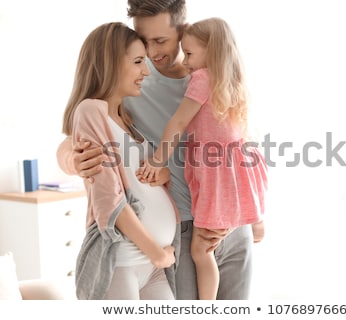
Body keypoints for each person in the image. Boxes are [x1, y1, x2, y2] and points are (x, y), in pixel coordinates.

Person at [57, 0, 257, 300]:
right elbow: (72, 140)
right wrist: (76, 160)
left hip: (232, 221)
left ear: (183, 31)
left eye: (160, 41)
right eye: (144, 41)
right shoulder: (134, 80)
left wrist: (250, 216)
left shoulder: (213, 74)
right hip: (186, 230)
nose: (151, 53)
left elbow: (242, 144)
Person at [137, 17, 268, 300]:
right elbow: (249, 152)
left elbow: (178, 123)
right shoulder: (232, 82)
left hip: (216, 184)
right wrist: (255, 218)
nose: (186, 62)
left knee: (200, 250)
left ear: (211, 51)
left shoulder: (201, 78)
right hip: (234, 184)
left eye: (190, 54)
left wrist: (157, 160)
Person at [61, 21, 178, 300]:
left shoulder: (128, 121)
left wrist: (165, 176)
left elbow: (142, 183)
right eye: (138, 61)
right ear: (110, 63)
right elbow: (109, 199)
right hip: (123, 260)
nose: (145, 71)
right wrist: (156, 252)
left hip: (153, 264)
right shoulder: (91, 111)